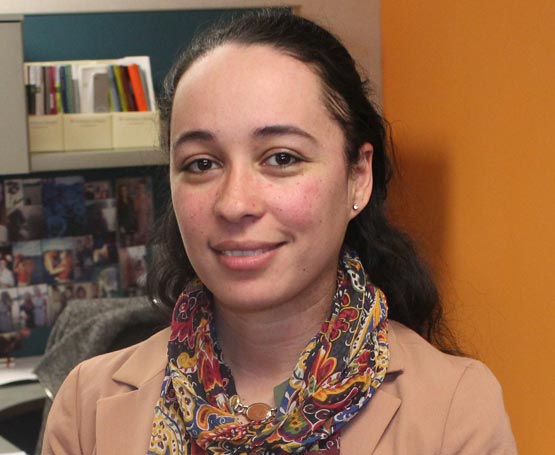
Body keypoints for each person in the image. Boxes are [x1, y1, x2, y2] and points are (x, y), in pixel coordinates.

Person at [42, 9, 517, 455]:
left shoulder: (453, 409)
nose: (235, 204)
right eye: (201, 164)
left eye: (282, 158)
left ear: (358, 177)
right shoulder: (88, 407)